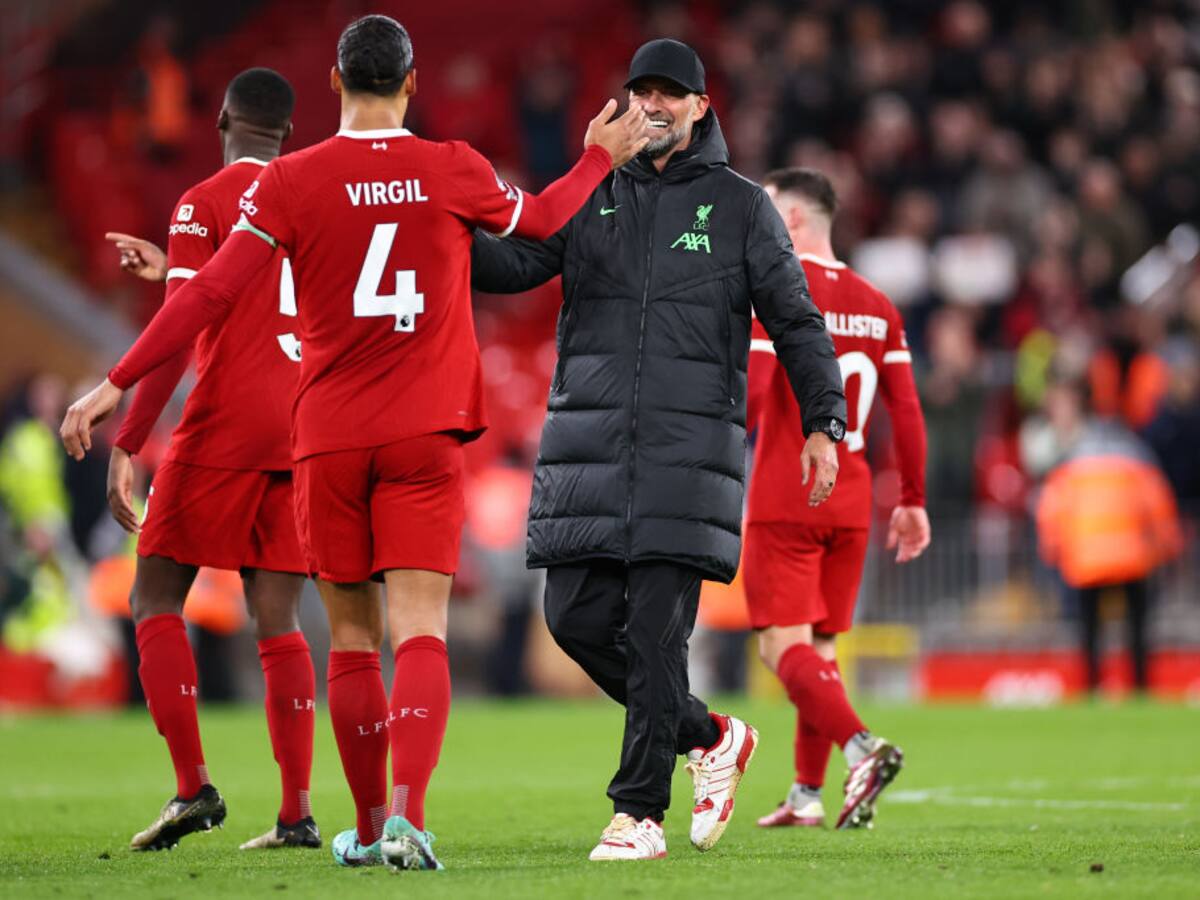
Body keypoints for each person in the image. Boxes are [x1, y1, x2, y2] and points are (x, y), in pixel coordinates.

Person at [61, 14, 648, 873]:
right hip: (425, 432)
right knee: (421, 631)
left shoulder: (290, 181)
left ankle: (368, 830)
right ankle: (408, 821)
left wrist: (116, 384)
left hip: (329, 438)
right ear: (412, 85)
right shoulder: (452, 166)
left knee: (350, 639)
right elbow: (548, 219)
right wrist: (599, 156)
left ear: (334, 85)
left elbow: (209, 294)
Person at [471, 40, 847, 861]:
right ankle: (712, 735)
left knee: (652, 638)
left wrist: (826, 419)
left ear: (702, 107)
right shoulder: (589, 192)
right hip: (591, 449)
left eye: (671, 93)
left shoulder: (742, 207)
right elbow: (511, 264)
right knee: (572, 621)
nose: (655, 104)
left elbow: (795, 319)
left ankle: (638, 814)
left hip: (688, 454)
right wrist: (443, 226)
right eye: (642, 91)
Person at [96, 68, 318, 853]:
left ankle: (193, 789)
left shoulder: (205, 200)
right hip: (301, 427)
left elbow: (183, 327)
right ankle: (295, 814)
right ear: (288, 133)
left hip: (225, 424)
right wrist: (176, 264)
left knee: (154, 594)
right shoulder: (312, 191)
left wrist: (126, 439)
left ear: (220, 118)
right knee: (279, 621)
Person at [744, 168, 929, 831]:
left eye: (764, 212)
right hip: (851, 500)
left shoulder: (776, 291)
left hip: (787, 493)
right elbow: (906, 409)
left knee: (777, 649)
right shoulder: (878, 303)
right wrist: (912, 498)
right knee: (819, 652)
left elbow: (752, 393)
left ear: (792, 222)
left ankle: (862, 748)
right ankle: (805, 794)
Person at [1035, 378, 1182, 695]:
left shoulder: (1073, 460)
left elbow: (1052, 508)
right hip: (1133, 554)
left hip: (1087, 556)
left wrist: (1051, 550)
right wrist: (1169, 546)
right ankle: (1140, 687)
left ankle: (1091, 686)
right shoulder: (1135, 455)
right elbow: (1158, 505)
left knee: (1090, 629)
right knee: (1138, 627)